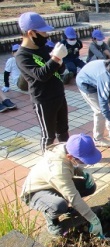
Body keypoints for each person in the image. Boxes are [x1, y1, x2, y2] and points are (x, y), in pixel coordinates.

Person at [20, 134, 104, 237]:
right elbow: (73, 197)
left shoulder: (67, 147)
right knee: (58, 206)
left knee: (89, 187)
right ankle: (52, 220)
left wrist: (83, 172)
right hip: (35, 193)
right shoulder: (58, 169)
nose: (85, 163)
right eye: (83, 161)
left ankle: (64, 207)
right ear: (70, 157)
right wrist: (94, 220)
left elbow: (70, 165)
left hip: (53, 184)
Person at [16, 12, 70, 153]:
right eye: (43, 32)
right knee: (48, 136)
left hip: (59, 95)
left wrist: (60, 60)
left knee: (63, 131)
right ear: (31, 33)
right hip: (43, 101)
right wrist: (55, 59)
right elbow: (41, 75)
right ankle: (47, 164)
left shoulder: (43, 48)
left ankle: (66, 157)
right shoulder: (22, 56)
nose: (46, 36)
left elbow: (58, 70)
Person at [0, 44, 20, 112]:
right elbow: (6, 73)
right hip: (19, 81)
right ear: (12, 53)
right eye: (16, 51)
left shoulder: (25, 58)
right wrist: (6, 85)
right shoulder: (11, 60)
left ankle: (4, 99)